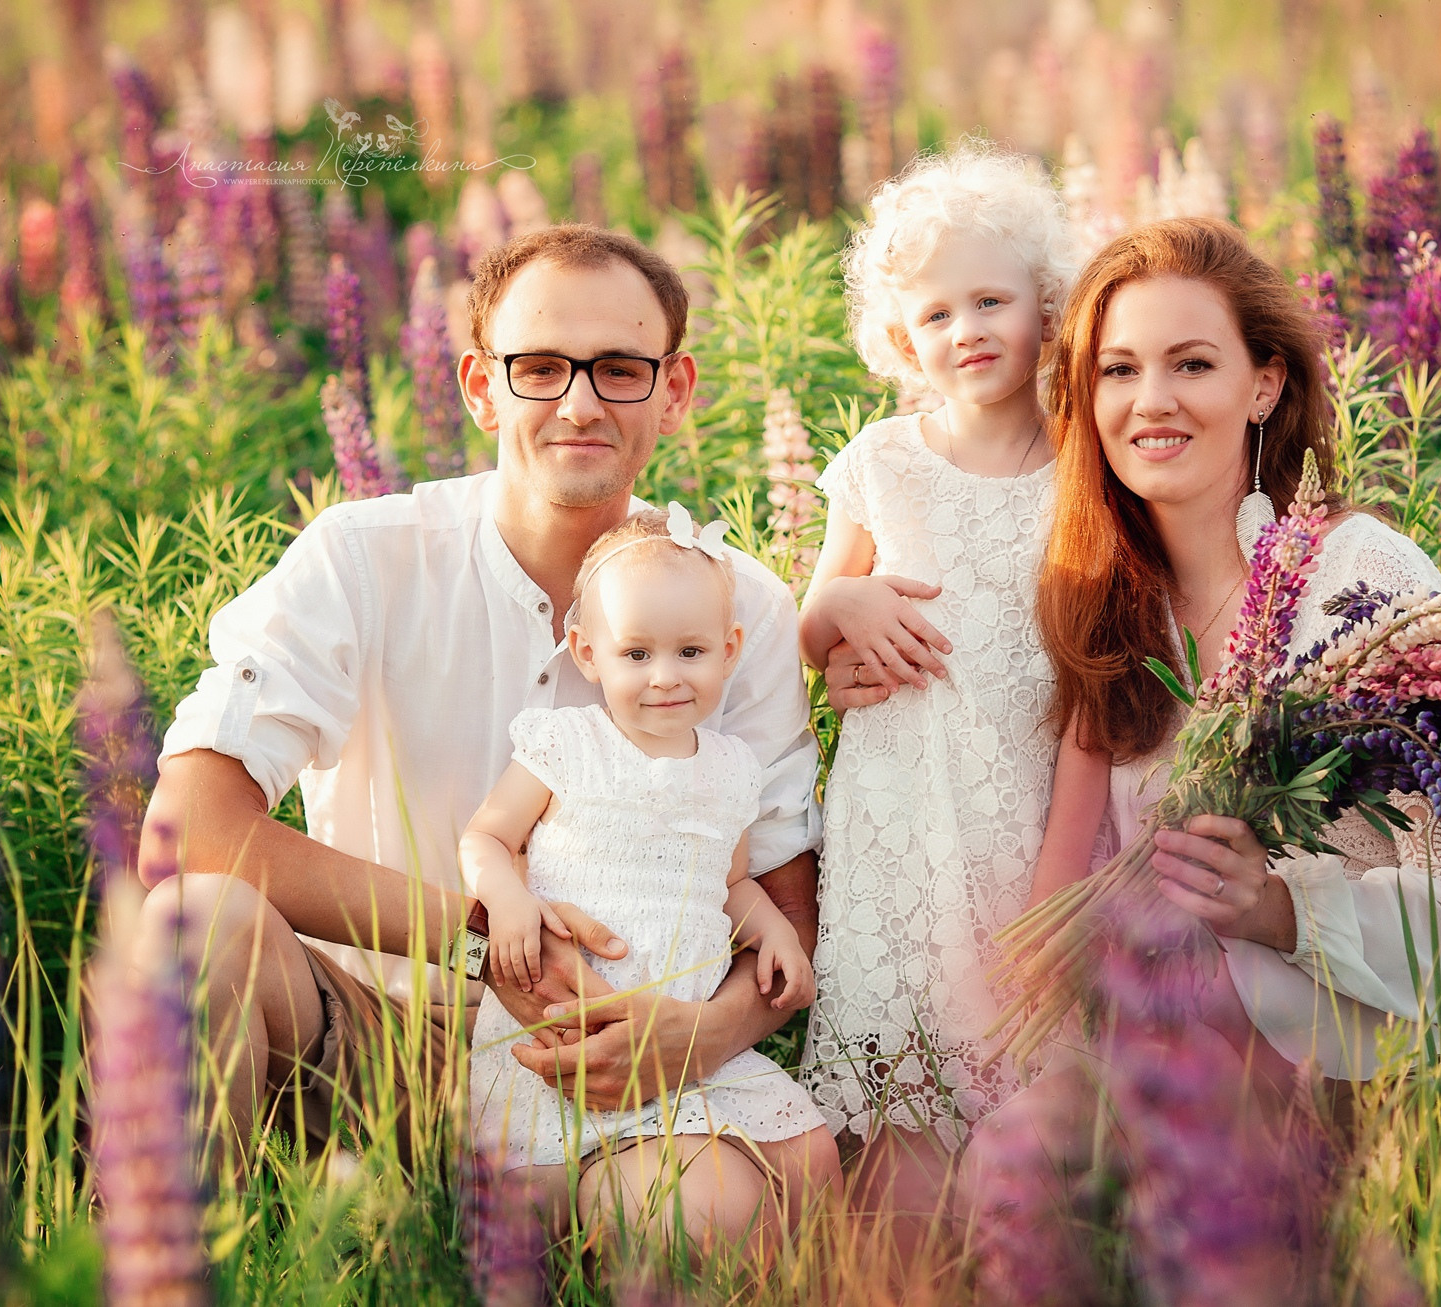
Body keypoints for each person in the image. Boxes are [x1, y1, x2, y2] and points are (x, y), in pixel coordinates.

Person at [137, 226, 824, 1251]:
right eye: (539, 367)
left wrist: (699, 1034)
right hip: (373, 1045)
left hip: (613, 1069)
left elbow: (783, 904)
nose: (579, 402)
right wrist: (485, 937)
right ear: (477, 386)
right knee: (196, 923)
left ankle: (570, 1238)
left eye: (620, 369)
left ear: (675, 390)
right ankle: (167, 1266)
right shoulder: (365, 558)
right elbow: (184, 829)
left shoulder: (741, 608)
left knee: (696, 1222)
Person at [956, 216, 1441, 1212]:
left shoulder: (1359, 582)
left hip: (1384, 1060)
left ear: (1264, 384)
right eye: (1117, 370)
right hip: (1189, 1052)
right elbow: (1069, 909)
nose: (1149, 401)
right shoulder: (1114, 607)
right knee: (1008, 1158)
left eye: (1190, 363)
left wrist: (1280, 911)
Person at [794, 144, 1077, 1216]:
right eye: (935, 315)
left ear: (1044, 303)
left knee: (1016, 1019)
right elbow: (809, 620)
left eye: (991, 300)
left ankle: (1018, 1229)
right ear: (899, 338)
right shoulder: (883, 458)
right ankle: (898, 1241)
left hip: (1023, 787)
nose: (965, 331)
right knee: (905, 1025)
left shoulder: (1080, 460)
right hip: (902, 801)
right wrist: (839, 612)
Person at [466, 506, 836, 1260]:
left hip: (683, 1035)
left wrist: (772, 935)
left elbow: (730, 882)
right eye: (636, 653)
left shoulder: (730, 766)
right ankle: (547, 1235)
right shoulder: (565, 744)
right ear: (587, 651)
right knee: (576, 1203)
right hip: (570, 1040)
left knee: (814, 1157)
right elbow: (486, 836)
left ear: (729, 651)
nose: (665, 676)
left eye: (690, 650)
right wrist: (505, 896)